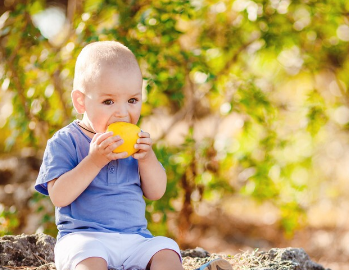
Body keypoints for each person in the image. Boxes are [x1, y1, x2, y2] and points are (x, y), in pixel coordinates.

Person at [35, 41, 233, 270]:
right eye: (108, 101)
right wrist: (94, 161)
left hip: (134, 239)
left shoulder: (137, 143)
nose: (122, 112)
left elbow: (156, 192)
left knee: (166, 249)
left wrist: (147, 159)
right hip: (85, 239)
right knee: (89, 260)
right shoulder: (65, 141)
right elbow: (59, 196)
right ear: (81, 101)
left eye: (132, 100)